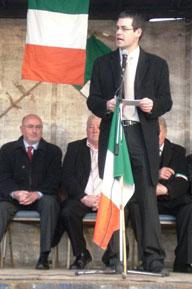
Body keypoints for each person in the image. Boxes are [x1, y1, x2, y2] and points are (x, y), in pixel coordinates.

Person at [87, 11, 173, 273]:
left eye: (125, 28)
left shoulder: (157, 64)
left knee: (147, 197)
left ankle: (153, 259)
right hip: (114, 133)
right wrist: (107, 105)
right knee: (114, 195)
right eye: (117, 28)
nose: (119, 33)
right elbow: (93, 100)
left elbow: (165, 101)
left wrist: (152, 105)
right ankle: (115, 259)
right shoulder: (104, 63)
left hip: (140, 134)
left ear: (138, 32)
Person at [0, 114, 62, 270]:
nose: (35, 131)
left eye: (38, 127)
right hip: (14, 199)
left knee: (50, 203)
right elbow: (2, 178)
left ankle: (44, 256)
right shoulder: (8, 149)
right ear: (21, 129)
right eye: (30, 127)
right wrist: (15, 193)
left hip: (41, 198)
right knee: (0, 208)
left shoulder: (53, 151)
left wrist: (36, 194)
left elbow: (55, 179)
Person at [128, 117, 192, 273]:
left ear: (165, 132)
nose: (153, 136)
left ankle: (184, 261)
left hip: (170, 199)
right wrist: (155, 177)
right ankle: (149, 259)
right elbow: (130, 178)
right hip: (146, 199)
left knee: (189, 208)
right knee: (136, 207)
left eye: (158, 132)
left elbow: (182, 179)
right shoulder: (136, 151)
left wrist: (166, 190)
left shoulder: (177, 151)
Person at [61, 115, 102, 269]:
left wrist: (104, 199)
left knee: (120, 212)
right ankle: (81, 254)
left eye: (99, 126)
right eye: (91, 127)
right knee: (67, 211)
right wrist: (83, 197)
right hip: (81, 198)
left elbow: (120, 177)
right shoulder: (75, 148)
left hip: (106, 199)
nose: (95, 130)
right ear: (86, 129)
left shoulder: (115, 148)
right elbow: (67, 176)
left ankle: (113, 256)